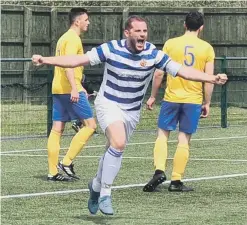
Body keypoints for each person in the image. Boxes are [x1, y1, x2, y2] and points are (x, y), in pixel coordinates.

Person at [32, 15, 227, 215]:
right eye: (138, 31)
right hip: (108, 103)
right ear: (127, 33)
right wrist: (46, 60)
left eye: (145, 31)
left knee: (113, 149)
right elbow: (76, 60)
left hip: (132, 110)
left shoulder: (153, 54)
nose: (142, 35)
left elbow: (184, 71)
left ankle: (96, 186)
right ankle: (105, 193)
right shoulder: (111, 48)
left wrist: (211, 78)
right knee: (118, 142)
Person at [143, 12, 217, 193]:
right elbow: (208, 79)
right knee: (183, 139)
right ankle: (176, 180)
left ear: (184, 25)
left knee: (162, 135)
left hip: (171, 98)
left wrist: (153, 96)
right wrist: (207, 102)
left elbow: (159, 72)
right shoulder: (206, 48)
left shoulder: (170, 44)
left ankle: (159, 171)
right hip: (192, 100)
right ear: (201, 27)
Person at [46, 8, 97, 182]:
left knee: (57, 129)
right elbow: (68, 65)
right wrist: (75, 87)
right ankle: (66, 162)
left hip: (58, 88)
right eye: (86, 19)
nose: (88, 22)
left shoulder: (63, 38)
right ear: (77, 21)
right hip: (69, 89)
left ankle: (52, 172)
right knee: (90, 126)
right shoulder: (73, 39)